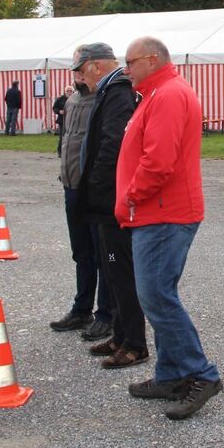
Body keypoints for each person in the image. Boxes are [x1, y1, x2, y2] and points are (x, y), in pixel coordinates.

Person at [117, 36, 222, 421]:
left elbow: (158, 161)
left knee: (157, 296)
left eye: (130, 62)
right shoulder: (158, 94)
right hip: (157, 211)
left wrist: (130, 195)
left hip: (164, 212)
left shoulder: (168, 95)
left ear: (152, 59)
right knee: (156, 295)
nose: (126, 70)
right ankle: (171, 374)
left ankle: (200, 373)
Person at [76, 43, 146, 361]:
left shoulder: (117, 92)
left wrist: (96, 185)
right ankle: (121, 336)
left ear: (96, 66)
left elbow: (113, 144)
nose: (79, 77)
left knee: (121, 270)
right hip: (107, 198)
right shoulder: (110, 91)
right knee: (113, 269)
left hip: (111, 200)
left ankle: (133, 342)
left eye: (81, 70)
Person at [50, 54, 112, 335]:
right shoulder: (73, 100)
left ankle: (106, 314)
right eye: (74, 69)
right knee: (81, 252)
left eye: (81, 68)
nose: (76, 74)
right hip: (71, 185)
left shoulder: (103, 99)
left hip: (94, 189)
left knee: (104, 255)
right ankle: (81, 309)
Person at [53, 84, 72, 155]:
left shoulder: (75, 98)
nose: (69, 92)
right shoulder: (60, 99)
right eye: (68, 91)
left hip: (72, 120)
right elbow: (54, 108)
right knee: (62, 136)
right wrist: (59, 111)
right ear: (65, 91)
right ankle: (60, 151)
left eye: (70, 91)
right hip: (62, 120)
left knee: (71, 137)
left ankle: (69, 152)